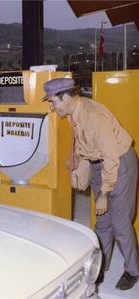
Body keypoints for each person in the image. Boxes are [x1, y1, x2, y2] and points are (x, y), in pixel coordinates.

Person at [42, 78, 139, 291]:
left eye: (52, 101)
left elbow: (111, 157)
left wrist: (104, 192)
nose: (51, 107)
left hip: (119, 164)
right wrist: (76, 158)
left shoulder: (94, 116)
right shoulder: (74, 113)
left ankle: (133, 270)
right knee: (102, 222)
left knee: (120, 223)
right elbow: (86, 141)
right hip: (98, 164)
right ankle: (100, 266)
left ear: (65, 97)